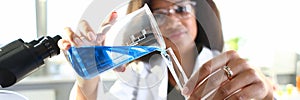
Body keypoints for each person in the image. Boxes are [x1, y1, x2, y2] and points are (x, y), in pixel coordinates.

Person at [58, 0, 275, 99]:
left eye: (181, 8)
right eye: (160, 15)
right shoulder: (140, 76)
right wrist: (88, 76)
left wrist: (266, 94)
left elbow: (259, 93)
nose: (173, 21)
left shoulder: (227, 68)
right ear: (145, 30)